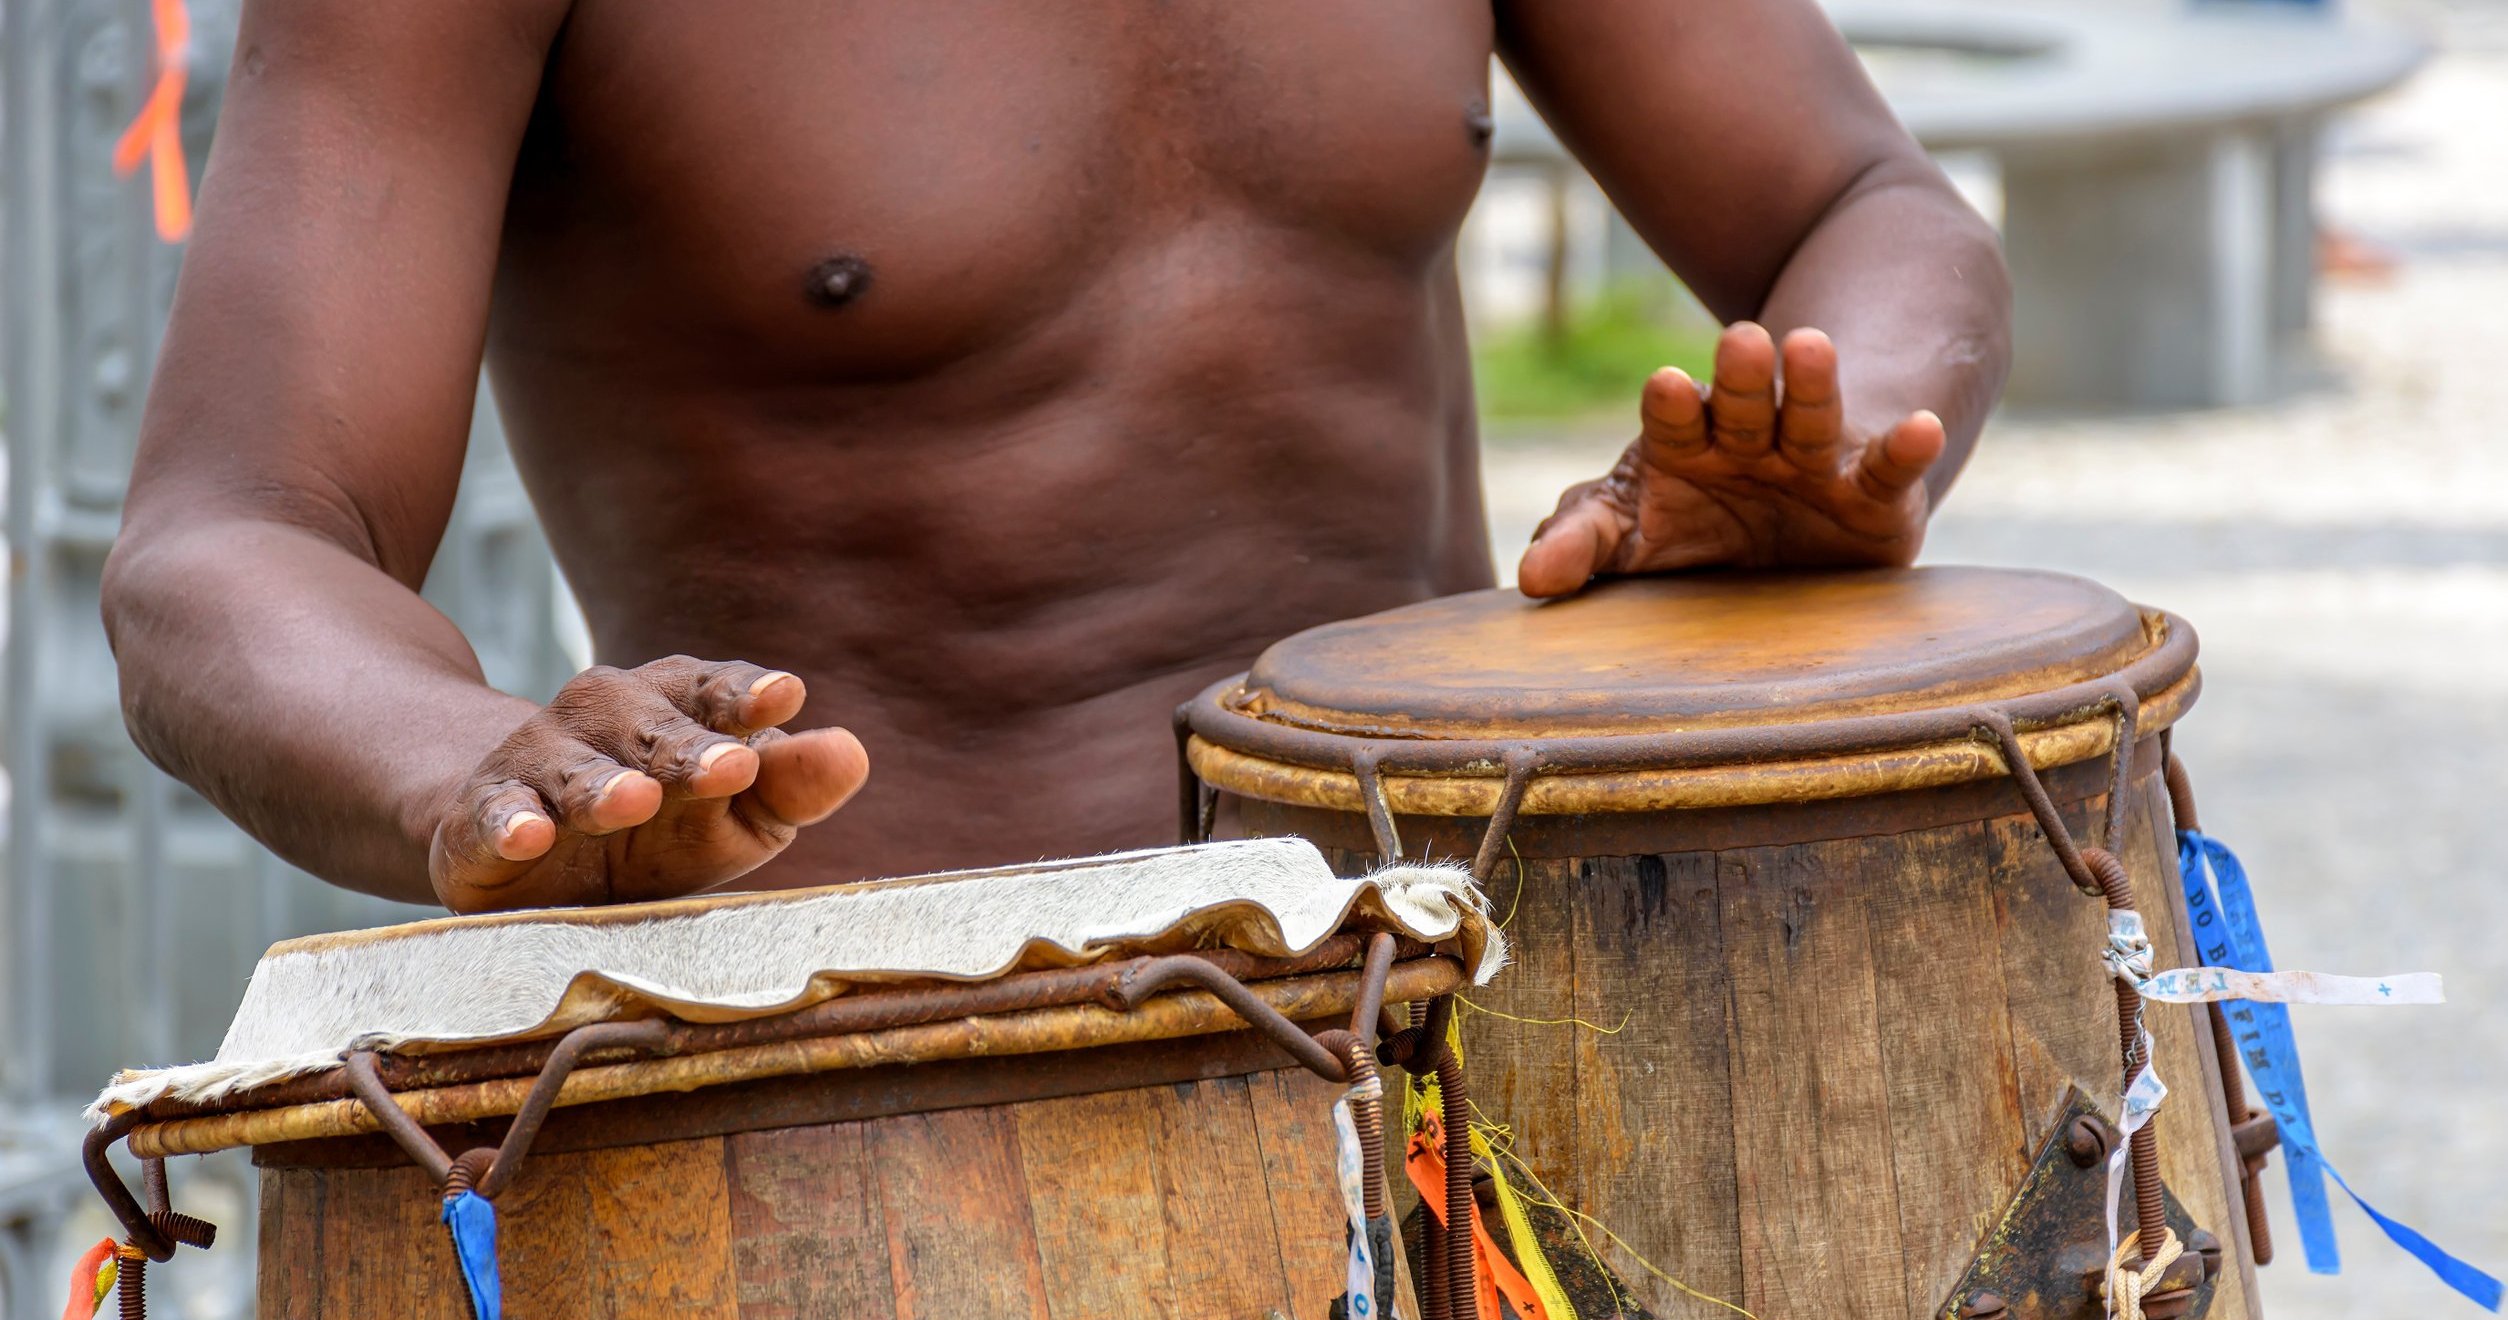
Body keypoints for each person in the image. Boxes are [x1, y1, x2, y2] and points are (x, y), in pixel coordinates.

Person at [103, 0, 2008, 913]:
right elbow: (226, 540)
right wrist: (476, 776)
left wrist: (1844, 436)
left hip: (1474, 977)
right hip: (862, 1075)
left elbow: (1866, 199)